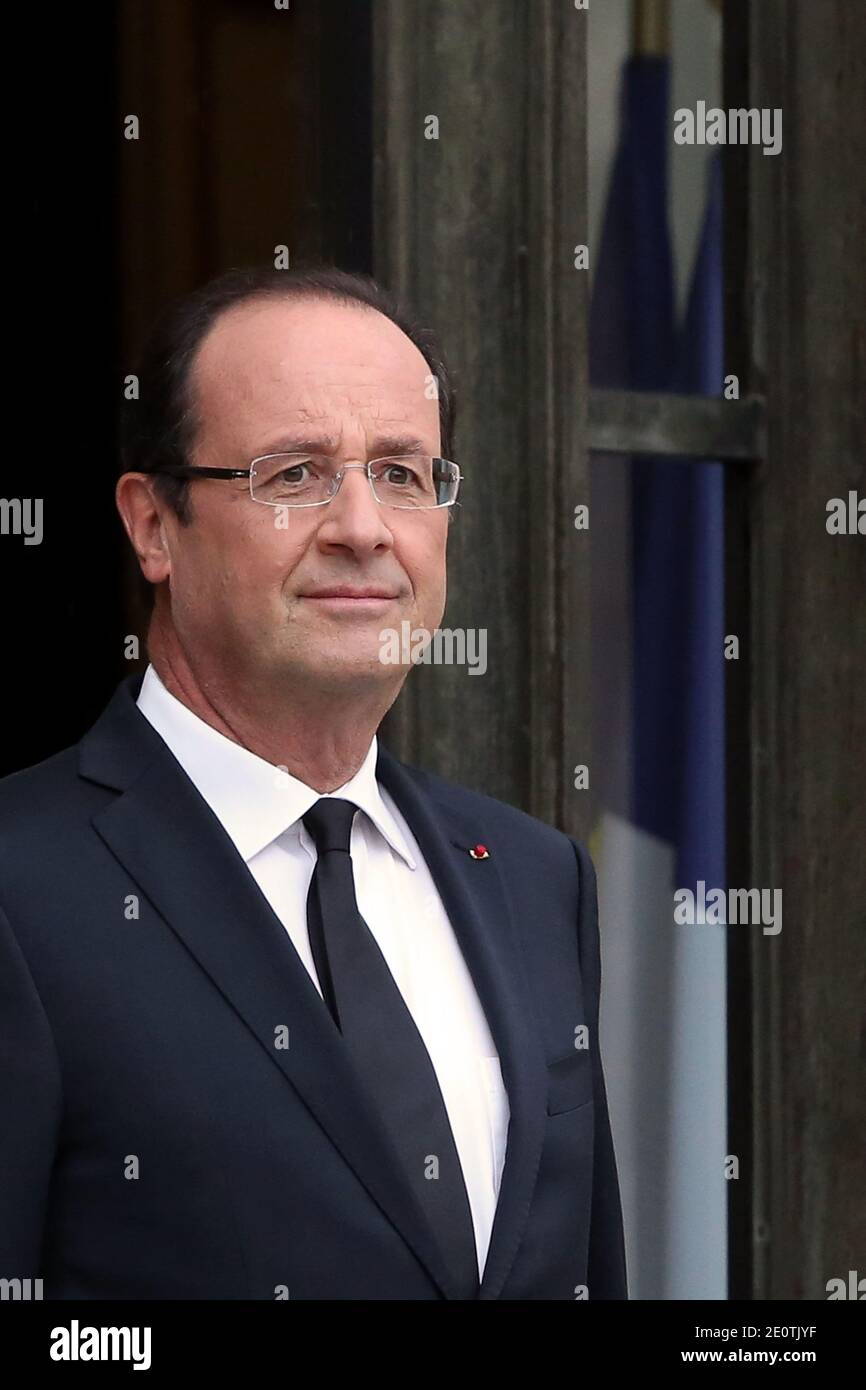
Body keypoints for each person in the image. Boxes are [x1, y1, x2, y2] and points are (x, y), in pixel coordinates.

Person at [0, 265, 627, 1300]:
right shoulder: (25, 888)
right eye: (292, 474)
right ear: (153, 524)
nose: (362, 528)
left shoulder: (533, 878)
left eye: (400, 473)